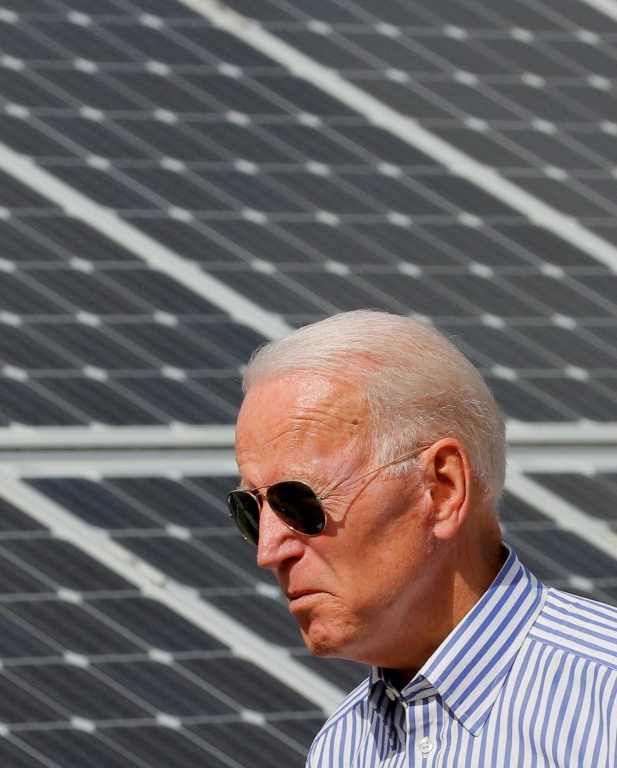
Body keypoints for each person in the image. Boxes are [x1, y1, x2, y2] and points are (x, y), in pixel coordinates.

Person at [226, 310, 617, 766]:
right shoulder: (341, 748)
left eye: (298, 502)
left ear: (441, 489)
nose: (269, 550)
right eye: (250, 512)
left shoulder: (604, 702)